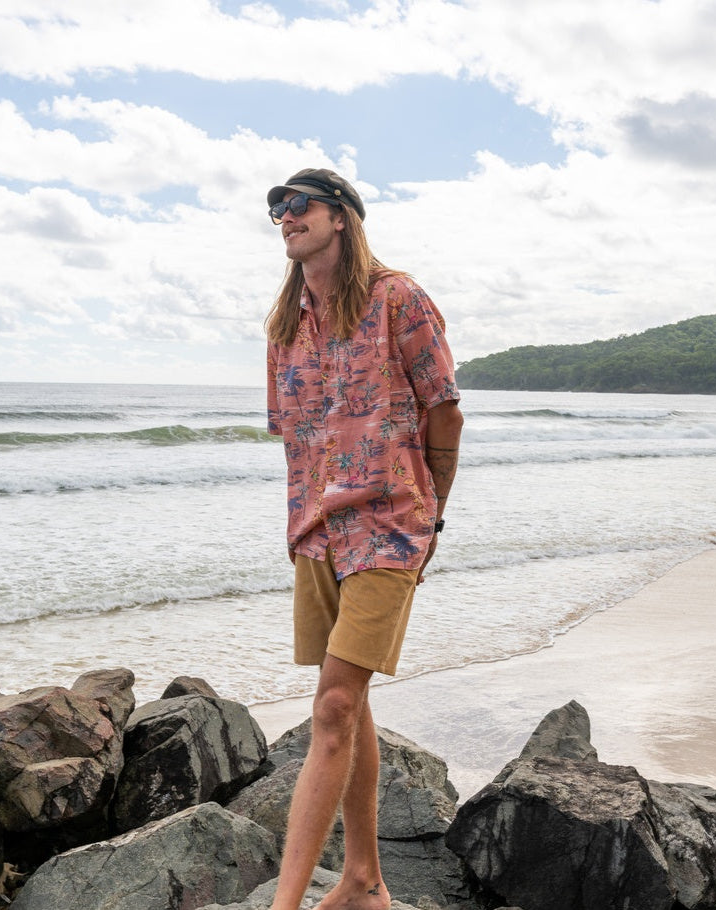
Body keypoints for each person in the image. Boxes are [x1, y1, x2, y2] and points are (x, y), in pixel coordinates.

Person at [265, 168, 463, 910]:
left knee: (333, 708)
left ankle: (285, 905)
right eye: (276, 210)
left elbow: (444, 411)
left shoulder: (397, 298)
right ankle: (362, 878)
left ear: (341, 216)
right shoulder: (283, 327)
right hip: (318, 533)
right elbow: (296, 437)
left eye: (298, 205)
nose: (285, 217)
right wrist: (300, 525)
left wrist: (432, 514)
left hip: (390, 523)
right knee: (346, 703)